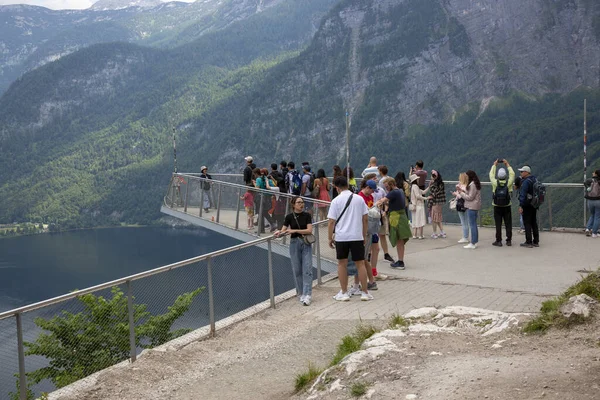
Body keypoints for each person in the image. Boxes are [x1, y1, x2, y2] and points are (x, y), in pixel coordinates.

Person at [327, 176, 373, 302]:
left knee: (342, 264)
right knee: (360, 264)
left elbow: (331, 221)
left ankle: (344, 292)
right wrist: (363, 235)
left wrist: (330, 238)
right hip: (357, 236)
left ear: (337, 187)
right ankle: (364, 292)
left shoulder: (336, 201)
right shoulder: (359, 199)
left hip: (342, 237)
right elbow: (365, 219)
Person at [274, 197, 313, 306]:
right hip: (294, 243)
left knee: (307, 268)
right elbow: (284, 230)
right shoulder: (289, 217)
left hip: (305, 242)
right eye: (299, 202)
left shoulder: (307, 215)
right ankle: (300, 293)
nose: (301, 204)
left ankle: (307, 294)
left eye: (302, 202)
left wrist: (294, 230)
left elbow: (309, 230)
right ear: (293, 205)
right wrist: (278, 233)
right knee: (297, 270)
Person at [376, 178, 411, 269]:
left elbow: (382, 201)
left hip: (396, 218)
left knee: (399, 239)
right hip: (402, 216)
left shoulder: (393, 193)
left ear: (391, 184)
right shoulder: (399, 191)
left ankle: (400, 262)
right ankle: (400, 260)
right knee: (401, 240)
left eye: (387, 186)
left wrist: (376, 204)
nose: (386, 188)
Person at [355, 180, 378, 290]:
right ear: (367, 187)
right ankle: (369, 282)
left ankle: (360, 284)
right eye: (372, 190)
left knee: (362, 259)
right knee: (363, 259)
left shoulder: (370, 198)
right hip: (364, 229)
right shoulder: (360, 197)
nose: (372, 193)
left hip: (367, 231)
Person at [489, 159, 515, 246]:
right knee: (508, 223)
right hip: (507, 205)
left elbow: (491, 175)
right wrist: (507, 164)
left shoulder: (495, 183)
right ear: (505, 175)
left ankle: (498, 240)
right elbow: (512, 174)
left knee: (498, 224)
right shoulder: (509, 183)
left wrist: (494, 165)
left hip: (496, 205)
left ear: (498, 176)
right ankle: (508, 240)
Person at [453, 170, 482, 249]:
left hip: (472, 206)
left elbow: (470, 197)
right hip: (475, 206)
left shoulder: (472, 185)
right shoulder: (475, 184)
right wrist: (462, 191)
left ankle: (473, 243)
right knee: (474, 225)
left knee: (472, 225)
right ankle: (474, 241)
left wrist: (461, 193)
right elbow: (471, 194)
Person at [518, 165, 539, 248]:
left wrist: (521, 205)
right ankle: (536, 241)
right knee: (534, 222)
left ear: (526, 172)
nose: (521, 173)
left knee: (527, 223)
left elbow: (523, 194)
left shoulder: (526, 182)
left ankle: (528, 241)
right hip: (534, 204)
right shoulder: (534, 179)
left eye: (522, 171)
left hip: (527, 205)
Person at [425, 170, 447, 238]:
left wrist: (430, 185)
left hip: (435, 202)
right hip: (439, 202)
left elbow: (433, 193)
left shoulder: (434, 184)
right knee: (438, 218)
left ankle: (434, 233)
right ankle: (442, 232)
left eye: (431, 175)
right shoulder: (441, 183)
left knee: (434, 218)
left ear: (434, 176)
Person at [409, 174, 427, 239]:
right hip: (418, 205)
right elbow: (418, 196)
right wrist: (426, 198)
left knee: (415, 220)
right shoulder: (416, 186)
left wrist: (429, 187)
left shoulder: (413, 186)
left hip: (414, 205)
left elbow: (423, 192)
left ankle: (414, 234)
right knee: (420, 219)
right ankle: (420, 235)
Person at [585, 169, 600, 237]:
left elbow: (585, 183)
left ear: (596, 174)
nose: (592, 173)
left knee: (592, 215)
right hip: (598, 201)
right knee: (597, 216)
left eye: (593, 172)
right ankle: (594, 233)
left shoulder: (590, 180)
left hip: (590, 200)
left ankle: (588, 229)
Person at [456, 173, 470, 243]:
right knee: (466, 221)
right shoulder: (467, 186)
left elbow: (460, 196)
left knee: (463, 222)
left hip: (461, 205)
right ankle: (466, 236)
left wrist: (456, 194)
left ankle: (465, 237)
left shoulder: (461, 186)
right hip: (467, 205)